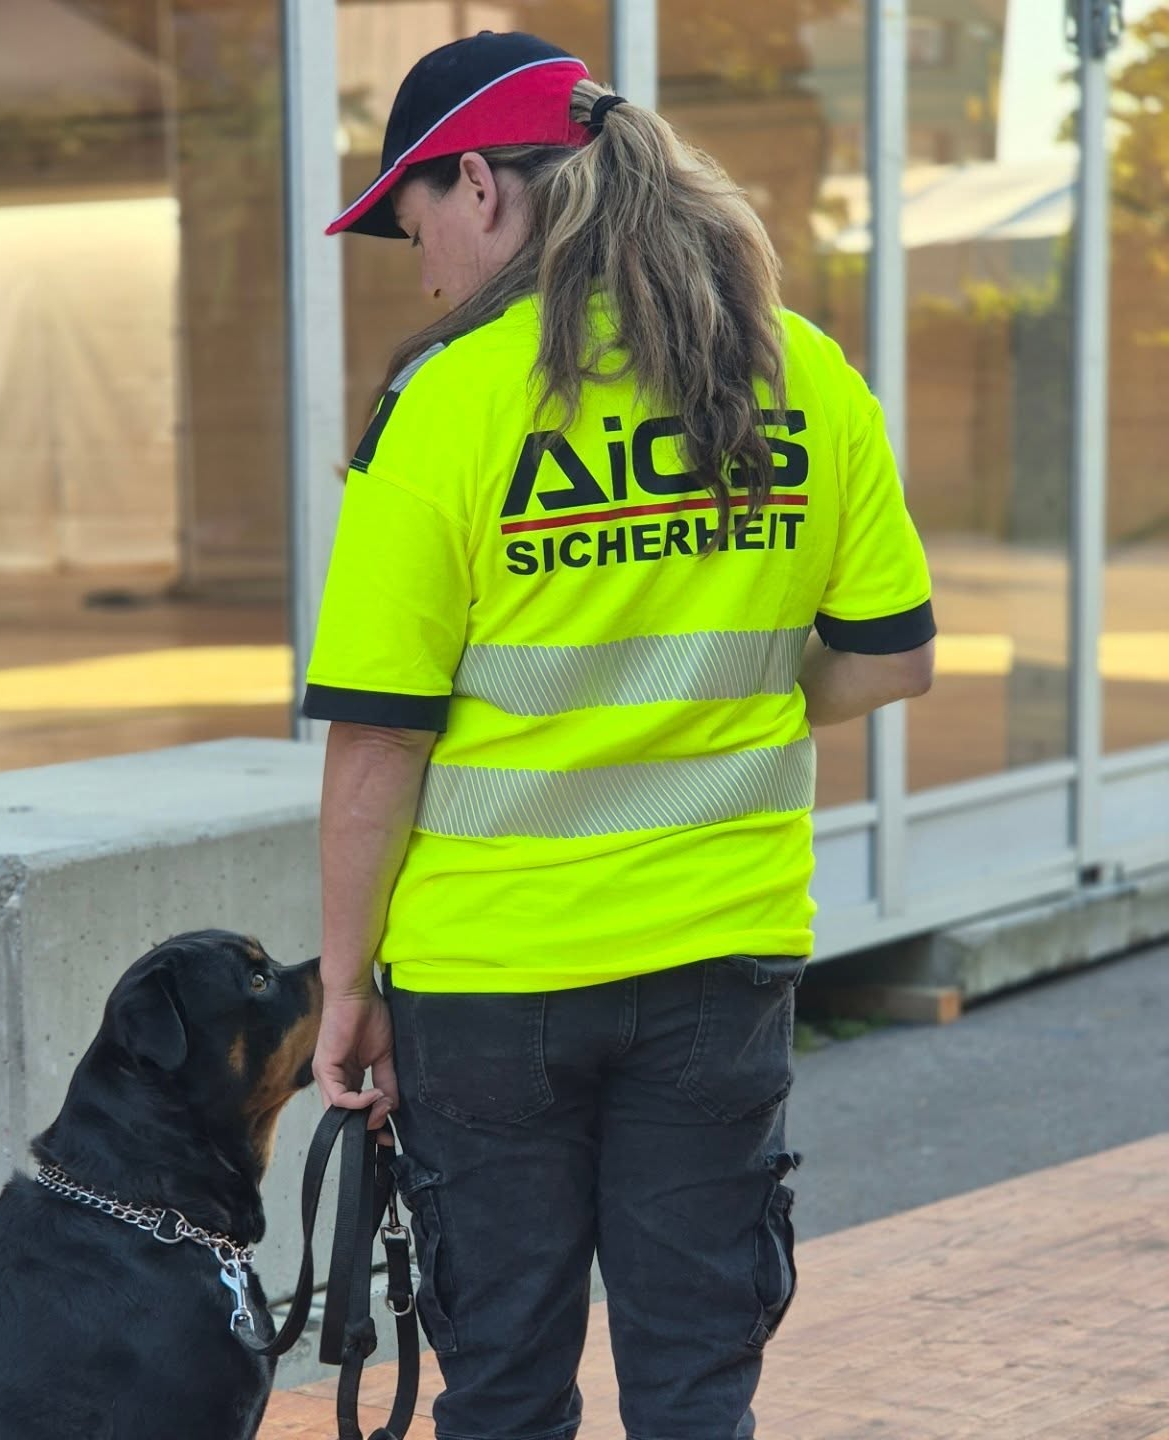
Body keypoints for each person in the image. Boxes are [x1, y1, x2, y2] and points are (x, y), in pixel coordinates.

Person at [304, 30, 934, 1440]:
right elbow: (893, 663)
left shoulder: (451, 404)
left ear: (480, 187)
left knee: (508, 1387)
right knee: (697, 1382)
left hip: (491, 986)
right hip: (721, 961)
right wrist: (752, 692)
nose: (422, 273)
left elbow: (378, 746)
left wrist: (348, 987)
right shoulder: (798, 369)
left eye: (415, 227)